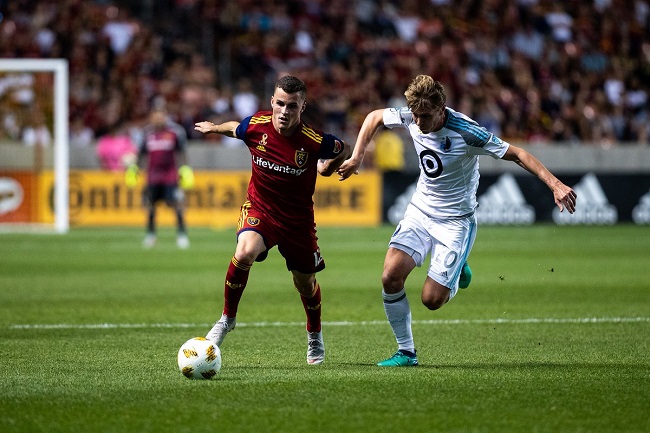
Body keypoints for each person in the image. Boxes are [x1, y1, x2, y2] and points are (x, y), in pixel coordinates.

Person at [337, 75, 577, 367]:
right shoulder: (412, 116)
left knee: (431, 300)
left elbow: (517, 153)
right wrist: (358, 156)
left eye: (425, 116)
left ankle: (459, 266)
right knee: (390, 277)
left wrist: (555, 184)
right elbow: (374, 117)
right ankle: (406, 352)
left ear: (441, 110)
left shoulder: (467, 132)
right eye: (415, 115)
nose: (418, 122)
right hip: (420, 212)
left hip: (455, 222)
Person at [194, 75, 350, 365]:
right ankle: (227, 318)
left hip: (297, 222)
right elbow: (235, 129)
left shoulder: (314, 141)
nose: (284, 111)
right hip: (260, 208)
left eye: (292, 106)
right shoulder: (256, 126)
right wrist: (215, 127)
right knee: (245, 251)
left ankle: (314, 333)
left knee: (305, 283)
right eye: (280, 103)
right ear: (272, 102)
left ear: (302, 107)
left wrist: (329, 168)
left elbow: (344, 149)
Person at [126, 106, 194, 249]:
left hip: (170, 177)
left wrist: (185, 168)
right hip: (152, 177)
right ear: (152, 117)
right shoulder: (147, 134)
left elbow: (182, 152)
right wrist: (135, 168)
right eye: (156, 116)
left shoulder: (174, 132)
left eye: (161, 115)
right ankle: (151, 235)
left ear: (166, 116)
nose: (158, 118)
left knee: (176, 205)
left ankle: (182, 235)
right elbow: (141, 154)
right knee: (150, 206)